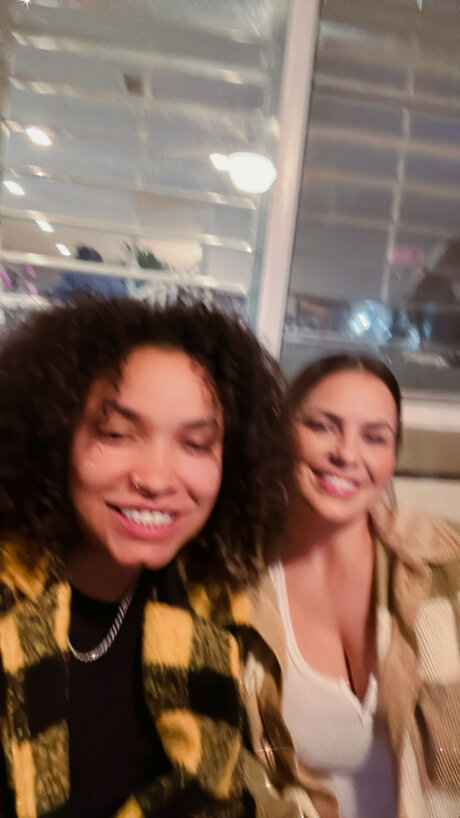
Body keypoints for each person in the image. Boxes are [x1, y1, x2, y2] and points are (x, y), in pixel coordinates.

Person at [0, 296, 291, 818]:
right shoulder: (9, 599)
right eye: (116, 434)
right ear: (53, 435)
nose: (156, 479)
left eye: (196, 444)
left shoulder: (218, 610)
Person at [242, 355, 460, 818]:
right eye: (323, 427)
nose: (346, 453)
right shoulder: (237, 582)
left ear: (393, 454)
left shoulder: (446, 564)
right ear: (282, 434)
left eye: (374, 437)